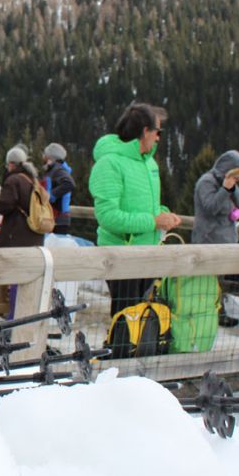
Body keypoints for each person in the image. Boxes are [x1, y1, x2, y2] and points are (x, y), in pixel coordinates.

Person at [89, 102, 182, 317]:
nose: (159, 137)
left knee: (142, 321)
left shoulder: (149, 163)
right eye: (158, 131)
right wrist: (154, 221)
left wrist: (163, 214)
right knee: (125, 322)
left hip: (148, 252)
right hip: (121, 256)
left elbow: (145, 206)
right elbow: (107, 217)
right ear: (145, 131)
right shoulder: (110, 163)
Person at [191, 149, 239, 326]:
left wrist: (232, 188)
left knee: (218, 280)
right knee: (207, 280)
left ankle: (217, 311)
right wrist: (225, 189)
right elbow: (211, 207)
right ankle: (208, 312)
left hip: (225, 239)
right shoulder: (206, 182)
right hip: (208, 239)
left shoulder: (229, 183)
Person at [0, 146, 45, 318]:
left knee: (13, 276)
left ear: (11, 163)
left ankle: (12, 313)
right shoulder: (33, 180)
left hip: (16, 235)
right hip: (33, 235)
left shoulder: (13, 180)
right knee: (26, 277)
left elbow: (3, 205)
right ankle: (24, 312)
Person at [41, 143, 75, 234]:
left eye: (45, 154)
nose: (43, 156)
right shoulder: (54, 169)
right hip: (55, 217)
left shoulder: (57, 169)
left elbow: (69, 183)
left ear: (50, 156)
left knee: (55, 247)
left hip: (58, 218)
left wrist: (51, 195)